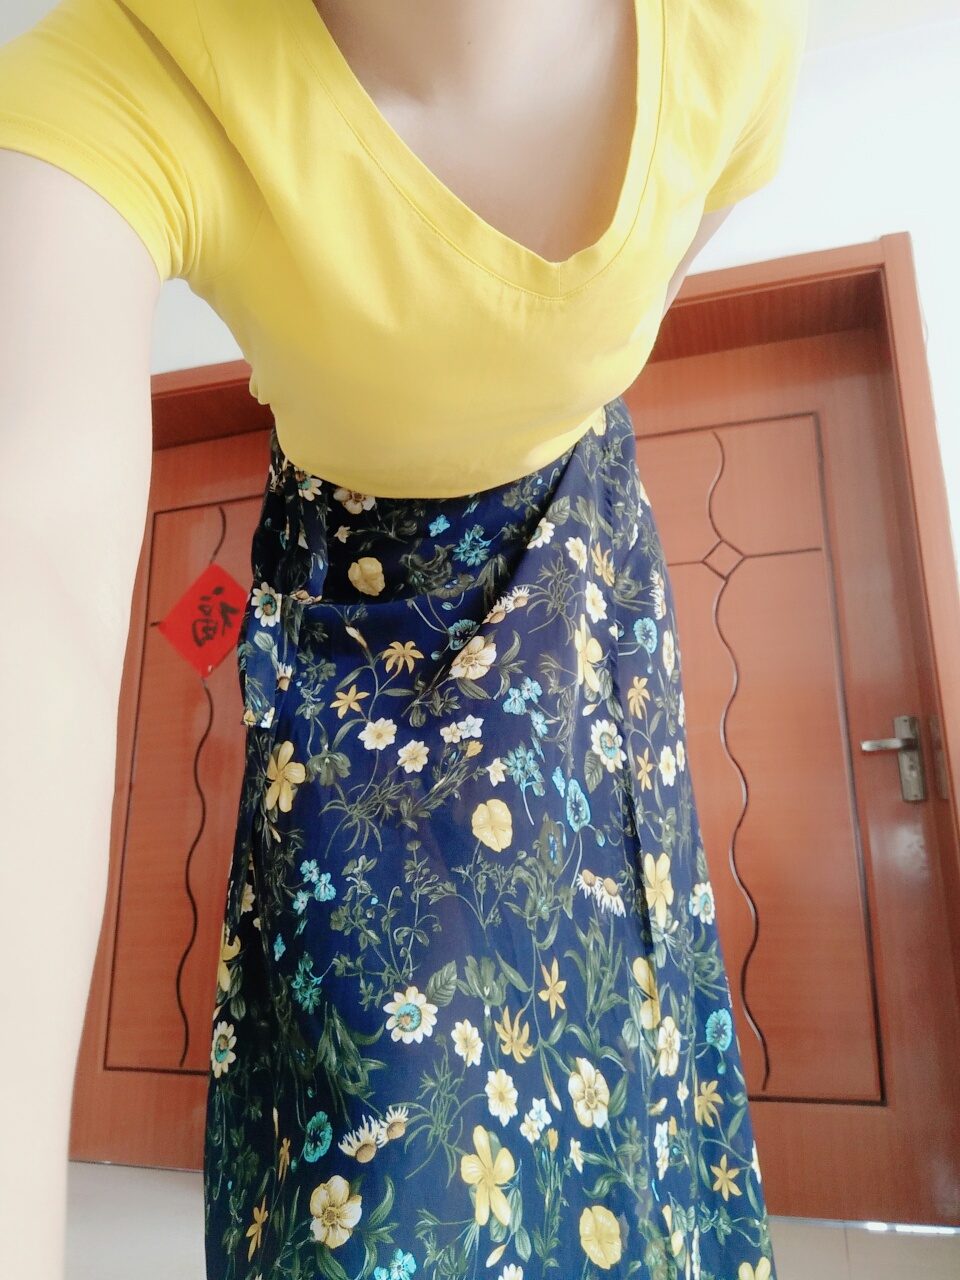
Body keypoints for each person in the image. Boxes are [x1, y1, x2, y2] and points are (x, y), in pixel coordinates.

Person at [0, 1, 807, 1276]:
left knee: (618, 1052)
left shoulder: (735, 35)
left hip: (578, 570)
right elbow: (31, 563)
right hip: (346, 613)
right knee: (379, 1146)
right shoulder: (127, 64)